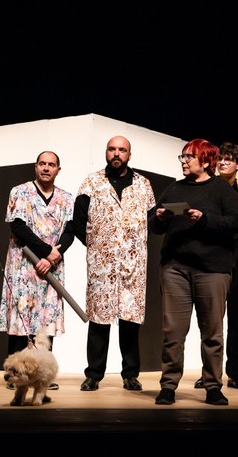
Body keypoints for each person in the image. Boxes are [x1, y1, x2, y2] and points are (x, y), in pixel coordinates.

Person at [149, 139, 238, 406]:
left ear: (206, 160)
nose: (184, 161)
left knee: (212, 333)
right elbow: (153, 224)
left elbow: (235, 225)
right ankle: (168, 386)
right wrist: (160, 218)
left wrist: (205, 220)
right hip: (175, 268)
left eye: (189, 156)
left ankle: (213, 386)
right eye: (182, 156)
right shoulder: (175, 188)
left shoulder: (222, 189)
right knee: (173, 333)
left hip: (212, 270)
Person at [71, 136, 156, 392]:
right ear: (106, 152)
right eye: (112, 149)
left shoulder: (143, 185)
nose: (116, 153)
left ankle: (130, 374)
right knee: (99, 321)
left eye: (122, 150)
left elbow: (152, 221)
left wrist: (133, 245)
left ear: (129, 154)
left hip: (132, 265)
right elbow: (78, 221)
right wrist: (98, 247)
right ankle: (94, 375)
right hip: (102, 265)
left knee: (130, 321)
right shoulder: (91, 182)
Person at [0, 151, 75, 390]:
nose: (46, 168)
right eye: (42, 164)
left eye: (51, 165)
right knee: (21, 319)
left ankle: (41, 376)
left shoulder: (66, 198)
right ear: (36, 167)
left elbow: (70, 231)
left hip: (51, 265)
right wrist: (46, 252)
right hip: (24, 263)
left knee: (45, 320)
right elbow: (18, 226)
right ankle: (15, 376)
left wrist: (53, 257)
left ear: (58, 169)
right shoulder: (20, 192)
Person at [192, 142, 238, 390]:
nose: (222, 163)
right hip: (213, 255)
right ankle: (210, 373)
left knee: (237, 318)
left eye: (228, 159)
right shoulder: (208, 187)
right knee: (211, 319)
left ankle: (235, 373)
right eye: (220, 159)